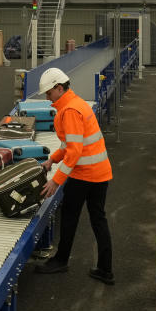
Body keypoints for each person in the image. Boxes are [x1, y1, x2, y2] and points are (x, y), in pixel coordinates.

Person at [34, 67, 114, 285]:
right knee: (98, 219)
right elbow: (70, 145)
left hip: (84, 175)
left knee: (70, 217)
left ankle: (61, 260)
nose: (48, 98)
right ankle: (105, 269)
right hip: (101, 172)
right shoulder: (77, 103)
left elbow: (75, 152)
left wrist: (55, 180)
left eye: (49, 93)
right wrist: (52, 159)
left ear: (59, 88)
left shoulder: (69, 111)